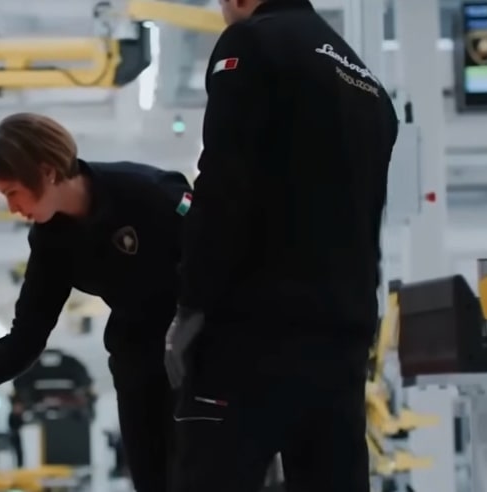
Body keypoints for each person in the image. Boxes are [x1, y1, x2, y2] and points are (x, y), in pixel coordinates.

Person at [163, 0, 399, 491]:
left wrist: (191, 306)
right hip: (342, 344)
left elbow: (224, 186)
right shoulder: (370, 86)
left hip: (250, 336)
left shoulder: (252, 43)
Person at [0, 112, 193, 492]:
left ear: (47, 172)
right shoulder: (52, 242)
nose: (12, 207)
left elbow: (224, 262)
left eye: (13, 192)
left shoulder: (149, 192)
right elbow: (27, 337)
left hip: (200, 355)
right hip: (137, 365)